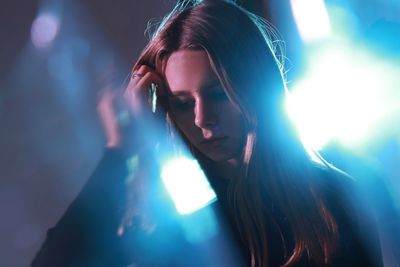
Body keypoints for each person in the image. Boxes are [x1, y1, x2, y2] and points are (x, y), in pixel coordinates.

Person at [32, 0, 388, 266]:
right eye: (183, 103)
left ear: (254, 86)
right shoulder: (166, 219)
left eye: (218, 93)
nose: (203, 118)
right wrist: (123, 147)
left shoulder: (330, 197)